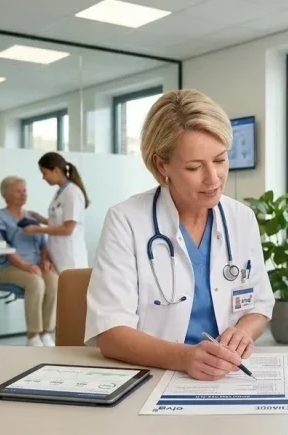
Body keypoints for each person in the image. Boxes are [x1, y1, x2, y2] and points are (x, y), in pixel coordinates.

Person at [84, 89, 275, 381]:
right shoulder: (126, 221)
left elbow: (260, 305)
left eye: (221, 160)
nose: (213, 179)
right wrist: (184, 357)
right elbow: (110, 333)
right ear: (162, 165)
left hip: (225, 376)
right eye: (194, 167)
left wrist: (242, 332)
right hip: (151, 376)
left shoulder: (241, 218)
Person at [0, 176, 58, 347]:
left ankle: (46, 332)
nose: (23, 194)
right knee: (36, 282)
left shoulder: (31, 217)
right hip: (9, 268)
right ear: (5, 195)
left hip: (35, 266)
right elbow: (5, 247)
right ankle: (33, 335)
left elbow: (42, 245)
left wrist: (45, 261)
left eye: (24, 190)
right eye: (18, 191)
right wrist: (26, 266)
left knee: (54, 280)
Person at [25, 152, 90, 271]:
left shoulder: (72, 193)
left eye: (45, 173)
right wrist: (42, 220)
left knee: (71, 288)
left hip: (70, 256)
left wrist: (37, 230)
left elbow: (68, 228)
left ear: (56, 170)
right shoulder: (60, 192)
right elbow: (61, 220)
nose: (43, 177)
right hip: (58, 254)